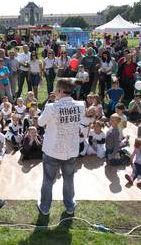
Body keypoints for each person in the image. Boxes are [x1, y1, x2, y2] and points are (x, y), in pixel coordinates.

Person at [37, 78, 85, 215]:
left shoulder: (51, 107)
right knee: (69, 179)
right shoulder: (81, 105)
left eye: (56, 90)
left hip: (53, 151)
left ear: (59, 91)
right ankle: (69, 206)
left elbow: (40, 122)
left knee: (48, 179)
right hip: (71, 150)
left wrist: (51, 102)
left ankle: (45, 207)